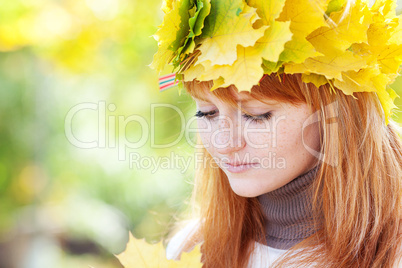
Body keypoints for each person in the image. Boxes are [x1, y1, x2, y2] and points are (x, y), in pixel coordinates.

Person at [151, 0, 402, 267]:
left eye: (256, 115)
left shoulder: (391, 255)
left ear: (335, 113)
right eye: (207, 113)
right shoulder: (189, 251)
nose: (224, 143)